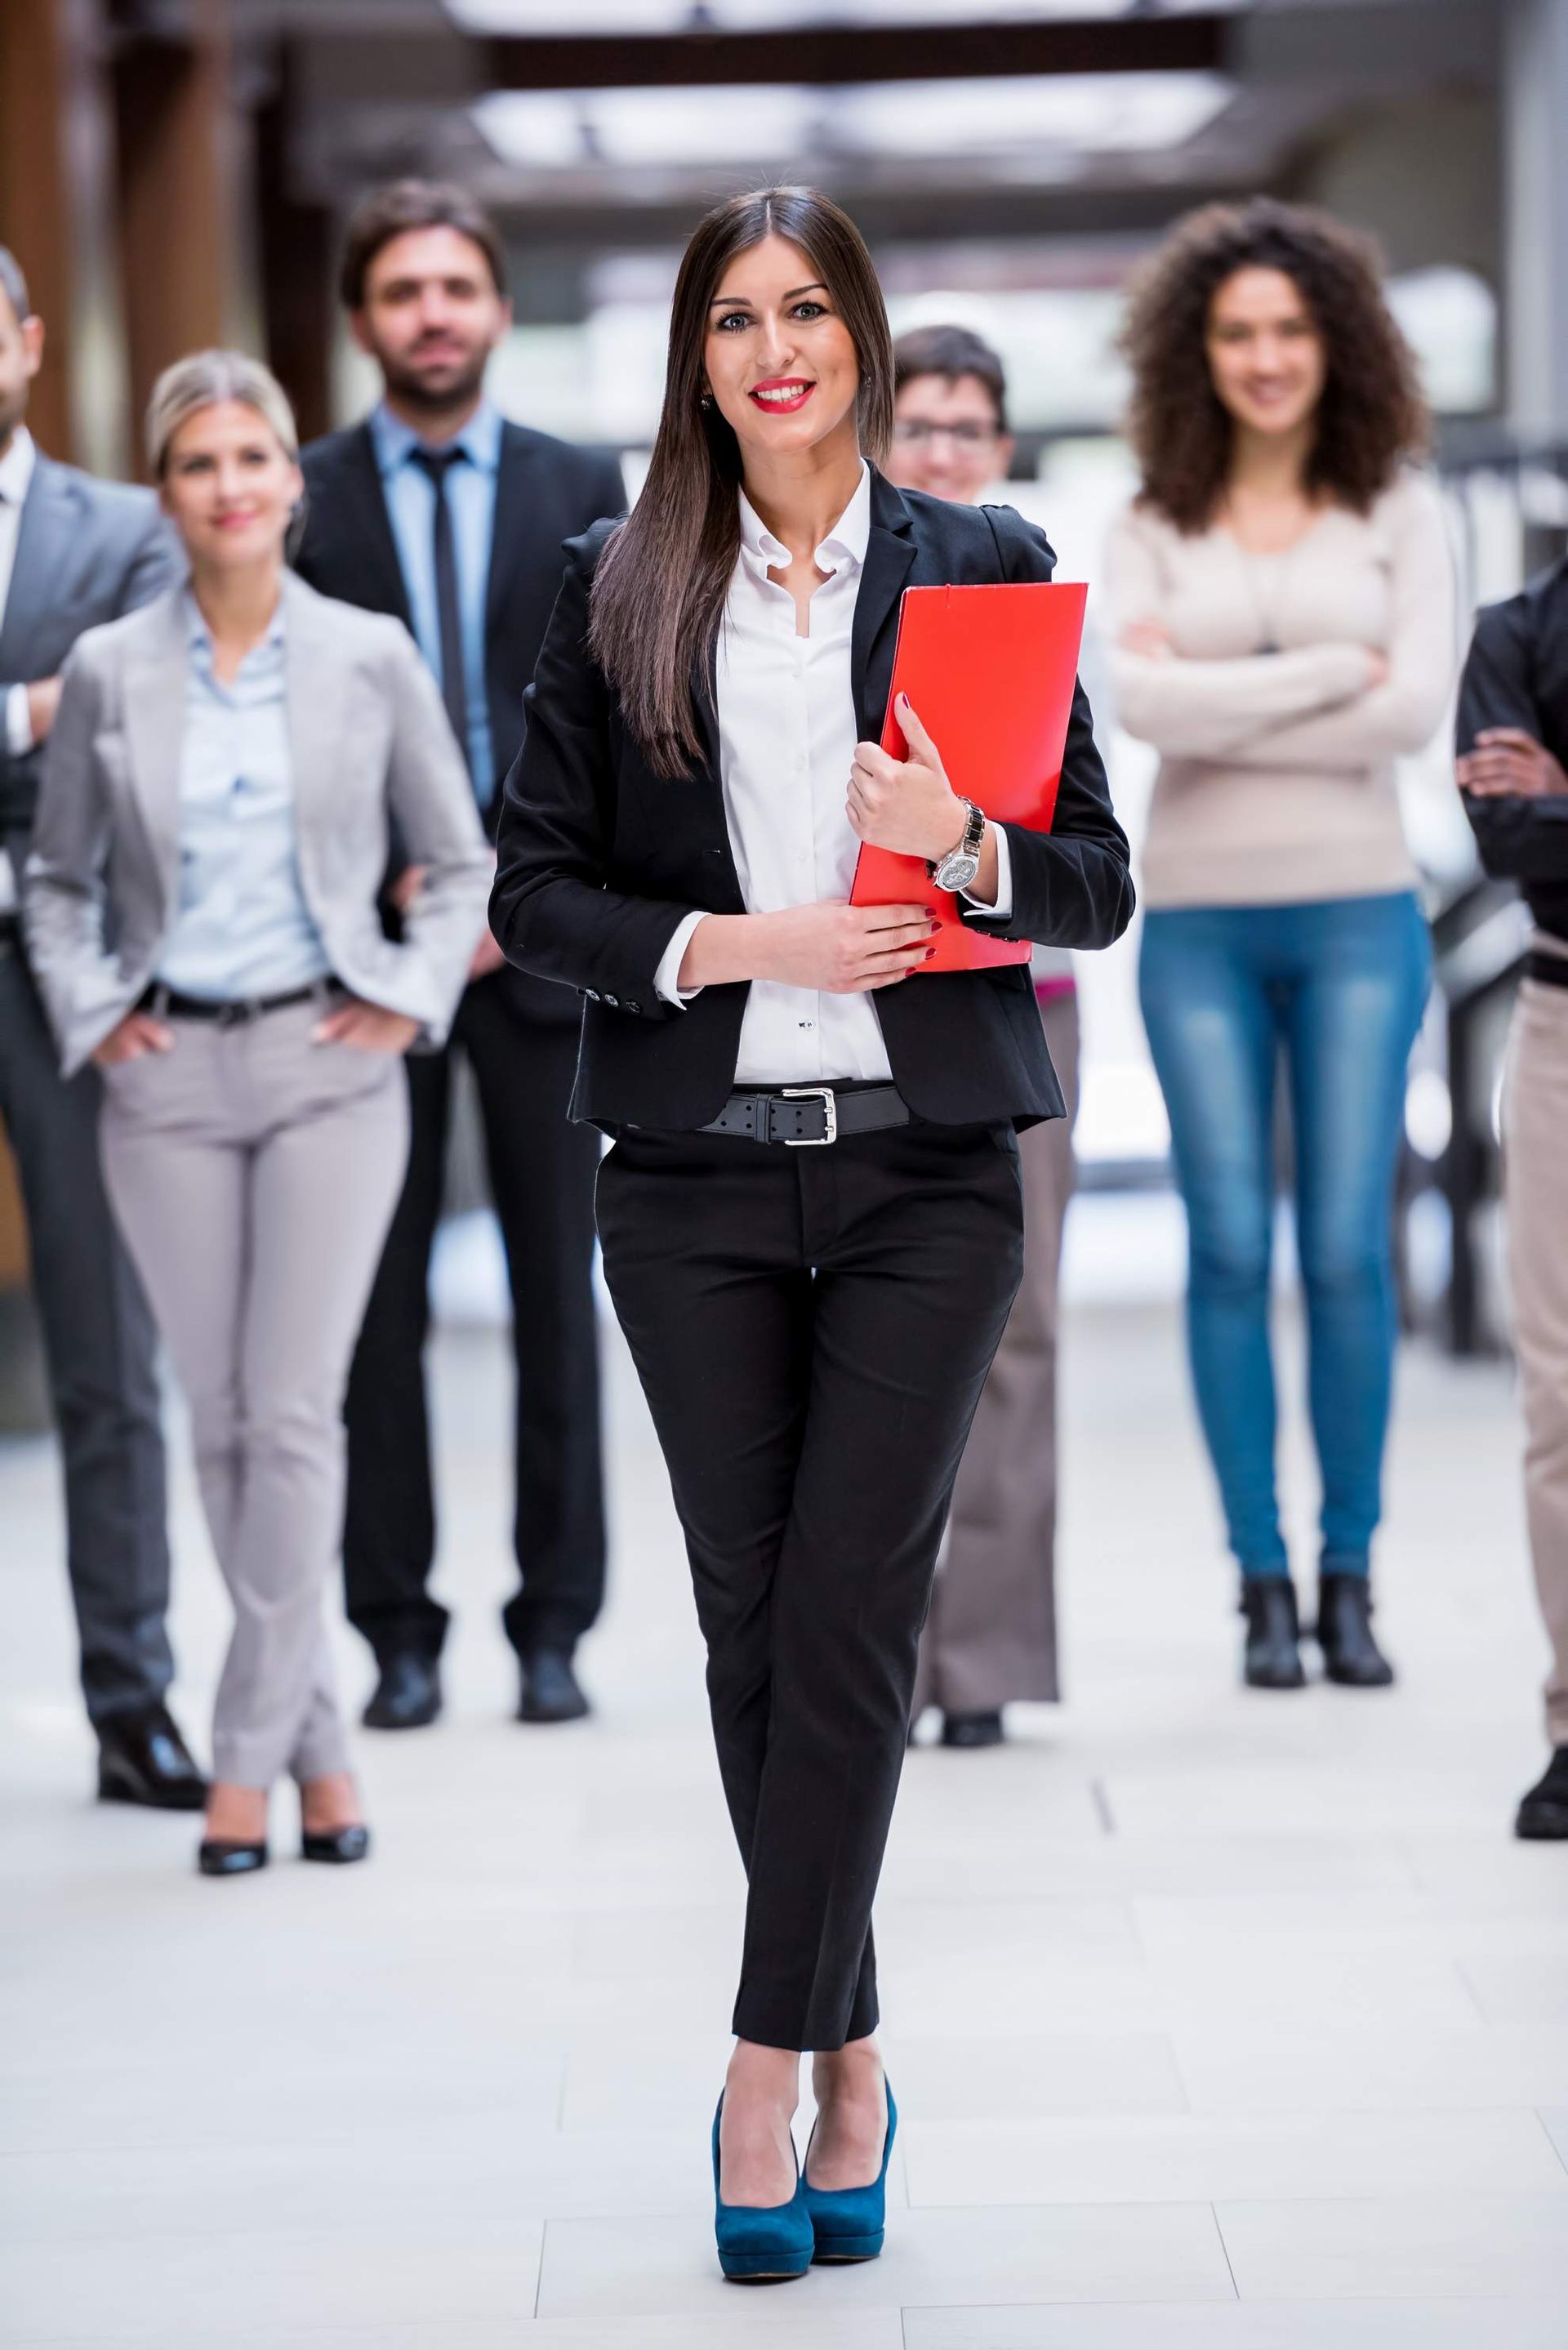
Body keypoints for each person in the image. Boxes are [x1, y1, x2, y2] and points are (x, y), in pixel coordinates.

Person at [492, 185, 1131, 2281]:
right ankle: (854, 2040)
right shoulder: (615, 584)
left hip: (929, 1166)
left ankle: (766, 2069)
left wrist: (965, 840)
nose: (775, 351)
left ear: (861, 331)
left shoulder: (983, 563)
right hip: (687, 1175)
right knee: (753, 1623)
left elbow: (1094, 880)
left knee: (852, 1611)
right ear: (695, 358)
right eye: (733, 319)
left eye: (806, 312)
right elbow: (536, 894)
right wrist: (742, 939)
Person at [24, 352, 490, 1876]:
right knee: (220, 1421)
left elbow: (460, 860)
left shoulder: (367, 655)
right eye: (198, 463)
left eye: (252, 458)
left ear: (294, 480)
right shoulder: (110, 668)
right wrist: (96, 1013)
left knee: (288, 1412)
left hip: (329, 1068)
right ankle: (323, 1750)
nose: (229, 486)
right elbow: (61, 883)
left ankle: (244, 1762)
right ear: (166, 495)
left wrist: (409, 993)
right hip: (163, 1081)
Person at [292, 182, 626, 1735]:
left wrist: (519, 894)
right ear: (364, 319)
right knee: (375, 1308)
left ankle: (555, 1624)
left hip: (542, 947)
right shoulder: (302, 492)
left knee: (561, 1296)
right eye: (403, 291)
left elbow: (615, 715)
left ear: (494, 309)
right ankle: (398, 1631)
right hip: (362, 947)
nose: (433, 314)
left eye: (456, 288)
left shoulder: (579, 481)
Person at [1108, 198, 1455, 1692]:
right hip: (1196, 917)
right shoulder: (1151, 517)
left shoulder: (1398, 509)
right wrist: (1326, 671)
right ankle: (1259, 1578)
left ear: (1339, 343)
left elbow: (1414, 712)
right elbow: (1140, 708)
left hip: (1360, 908)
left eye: (1292, 329)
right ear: (1197, 350)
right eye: (1238, 331)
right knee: (1232, 1246)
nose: (1265, 357)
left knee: (1346, 1248)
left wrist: (1224, 691)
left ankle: (1349, 1575)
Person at [0, 246, 202, 1808]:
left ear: (26, 344)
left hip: (58, 966)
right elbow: (64, 714)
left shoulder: (127, 533)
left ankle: (132, 1703)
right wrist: (25, 707)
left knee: (101, 1345)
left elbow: (135, 722)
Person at [887, 322, 1079, 1748]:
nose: (944, 450)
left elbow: (1077, 825)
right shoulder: (833, 591)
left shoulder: (1030, 585)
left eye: (968, 428)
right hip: (865, 994)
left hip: (1022, 1001)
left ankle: (989, 1659)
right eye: (921, 424)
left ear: (1000, 448)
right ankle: (880, 1653)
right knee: (885, 1337)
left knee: (1021, 1332)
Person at [1456, 572, 1568, 1839]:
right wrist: (1539, 811)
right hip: (1559, 1018)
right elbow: (1506, 842)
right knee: (1560, 1393)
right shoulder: (1518, 633)